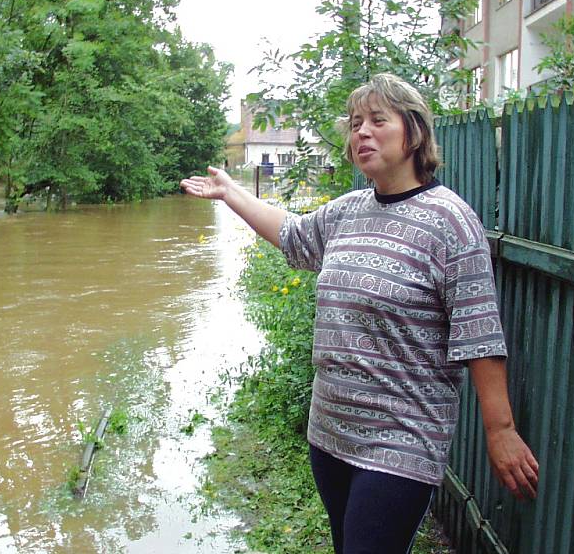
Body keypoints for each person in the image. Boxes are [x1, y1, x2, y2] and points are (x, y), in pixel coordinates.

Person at [180, 73, 538, 554]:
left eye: (377, 121)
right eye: (354, 124)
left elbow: (479, 334)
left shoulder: (450, 220)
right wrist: (231, 194)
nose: (361, 132)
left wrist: (501, 431)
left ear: (413, 132)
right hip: (330, 432)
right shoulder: (349, 211)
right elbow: (293, 235)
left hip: (402, 441)